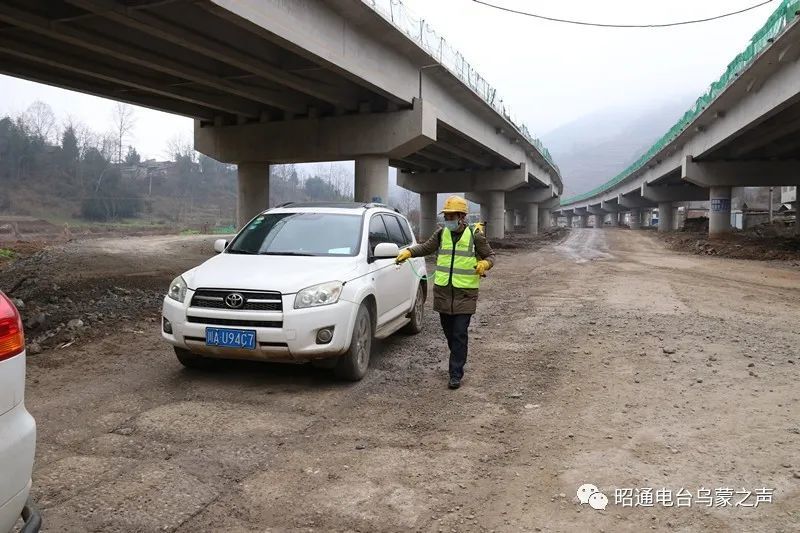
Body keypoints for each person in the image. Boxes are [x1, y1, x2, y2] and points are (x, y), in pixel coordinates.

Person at [395, 195, 495, 389]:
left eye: (451, 216)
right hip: (443, 293)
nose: (447, 219)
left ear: (461, 216)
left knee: (459, 334)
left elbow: (490, 256)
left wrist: (484, 263)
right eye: (446, 216)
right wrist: (408, 252)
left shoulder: (475, 235)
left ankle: (455, 373)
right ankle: (457, 356)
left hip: (465, 294)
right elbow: (425, 248)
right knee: (450, 334)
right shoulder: (441, 234)